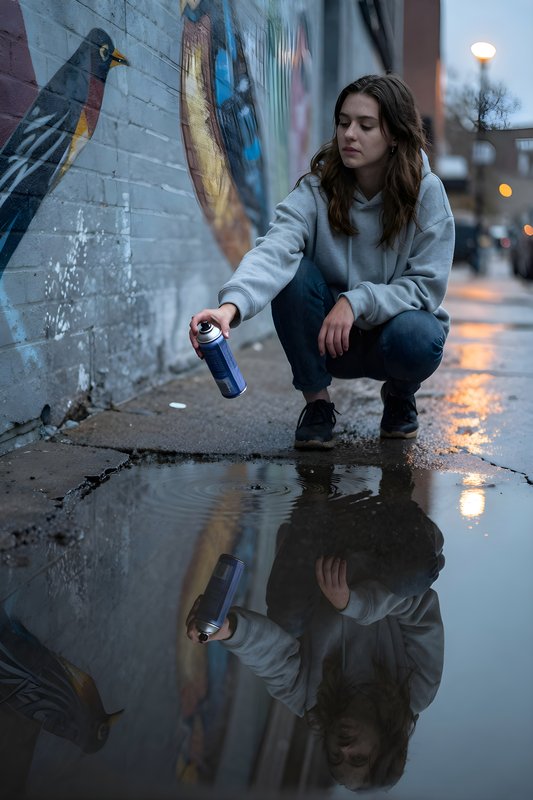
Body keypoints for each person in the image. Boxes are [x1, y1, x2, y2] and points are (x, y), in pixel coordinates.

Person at [189, 74, 454, 448]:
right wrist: (229, 308)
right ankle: (317, 406)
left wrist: (355, 300)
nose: (349, 134)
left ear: (394, 135)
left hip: (391, 340)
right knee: (292, 276)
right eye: (343, 122)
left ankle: (398, 396)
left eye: (365, 126)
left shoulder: (427, 193)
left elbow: (426, 286)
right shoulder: (317, 189)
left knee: (420, 336)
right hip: (333, 341)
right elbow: (275, 248)